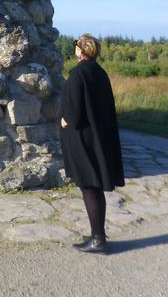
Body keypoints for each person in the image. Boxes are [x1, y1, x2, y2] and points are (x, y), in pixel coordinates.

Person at [60, 33, 125, 254]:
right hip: (98, 139)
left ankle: (98, 239)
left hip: (83, 140)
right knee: (94, 187)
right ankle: (98, 235)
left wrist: (65, 118)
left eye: (75, 45)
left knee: (89, 187)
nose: (74, 48)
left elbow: (75, 113)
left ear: (80, 50)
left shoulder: (78, 74)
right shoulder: (100, 72)